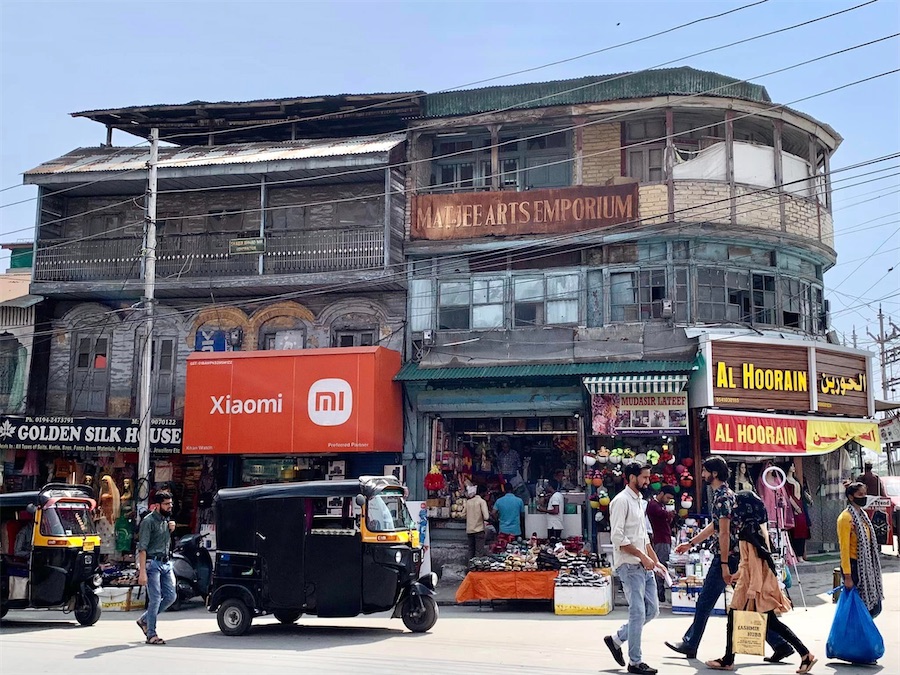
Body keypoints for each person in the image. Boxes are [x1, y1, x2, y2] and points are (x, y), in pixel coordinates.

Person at [666, 456, 793, 663]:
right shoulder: (726, 494)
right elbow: (715, 526)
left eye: (705, 471)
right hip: (734, 556)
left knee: (707, 602)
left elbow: (724, 533)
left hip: (727, 557)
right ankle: (780, 644)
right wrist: (691, 543)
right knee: (747, 604)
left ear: (714, 474)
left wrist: (724, 564)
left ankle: (691, 643)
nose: (703, 474)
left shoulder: (721, 497)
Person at [706, 490, 817, 673]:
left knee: (767, 622)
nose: (733, 509)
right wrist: (737, 576)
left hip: (753, 585)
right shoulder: (754, 528)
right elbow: (748, 562)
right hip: (750, 582)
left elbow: (756, 563)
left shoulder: (748, 531)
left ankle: (805, 654)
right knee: (752, 621)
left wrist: (753, 589)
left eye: (736, 505)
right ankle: (728, 658)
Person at [603, 462, 663, 675]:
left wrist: (654, 560)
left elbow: (643, 535)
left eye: (648, 477)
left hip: (644, 566)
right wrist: (642, 557)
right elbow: (618, 538)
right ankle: (635, 662)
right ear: (630, 477)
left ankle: (617, 639)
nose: (647, 481)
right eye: (644, 477)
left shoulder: (640, 501)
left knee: (652, 610)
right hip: (629, 566)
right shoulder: (620, 501)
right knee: (637, 612)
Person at [837, 481, 884, 618]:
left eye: (864, 494)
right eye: (860, 494)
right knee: (859, 609)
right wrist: (847, 576)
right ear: (851, 497)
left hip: (867, 566)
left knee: (873, 608)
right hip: (854, 567)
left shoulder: (862, 516)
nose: (863, 497)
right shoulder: (845, 518)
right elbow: (844, 549)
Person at [136, 491, 177, 645]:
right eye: (167, 504)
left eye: (170, 503)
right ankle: (151, 634)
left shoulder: (166, 521)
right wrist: (142, 572)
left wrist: (171, 528)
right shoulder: (148, 521)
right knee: (155, 599)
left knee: (171, 596)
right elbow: (142, 548)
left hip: (166, 563)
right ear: (157, 505)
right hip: (152, 564)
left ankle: (145, 620)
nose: (170, 506)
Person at [646, 485, 675, 603]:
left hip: (664, 538)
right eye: (667, 497)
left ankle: (660, 592)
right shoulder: (653, 505)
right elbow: (665, 516)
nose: (668, 501)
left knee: (663, 565)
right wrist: (670, 514)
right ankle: (659, 593)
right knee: (661, 566)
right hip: (660, 539)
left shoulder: (660, 506)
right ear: (662, 493)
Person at [464, 485, 489, 559]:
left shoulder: (468, 502)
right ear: (483, 493)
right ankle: (476, 568)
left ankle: (470, 568)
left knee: (471, 550)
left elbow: (463, 514)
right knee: (479, 551)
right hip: (479, 530)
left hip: (469, 530)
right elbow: (486, 517)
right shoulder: (482, 501)